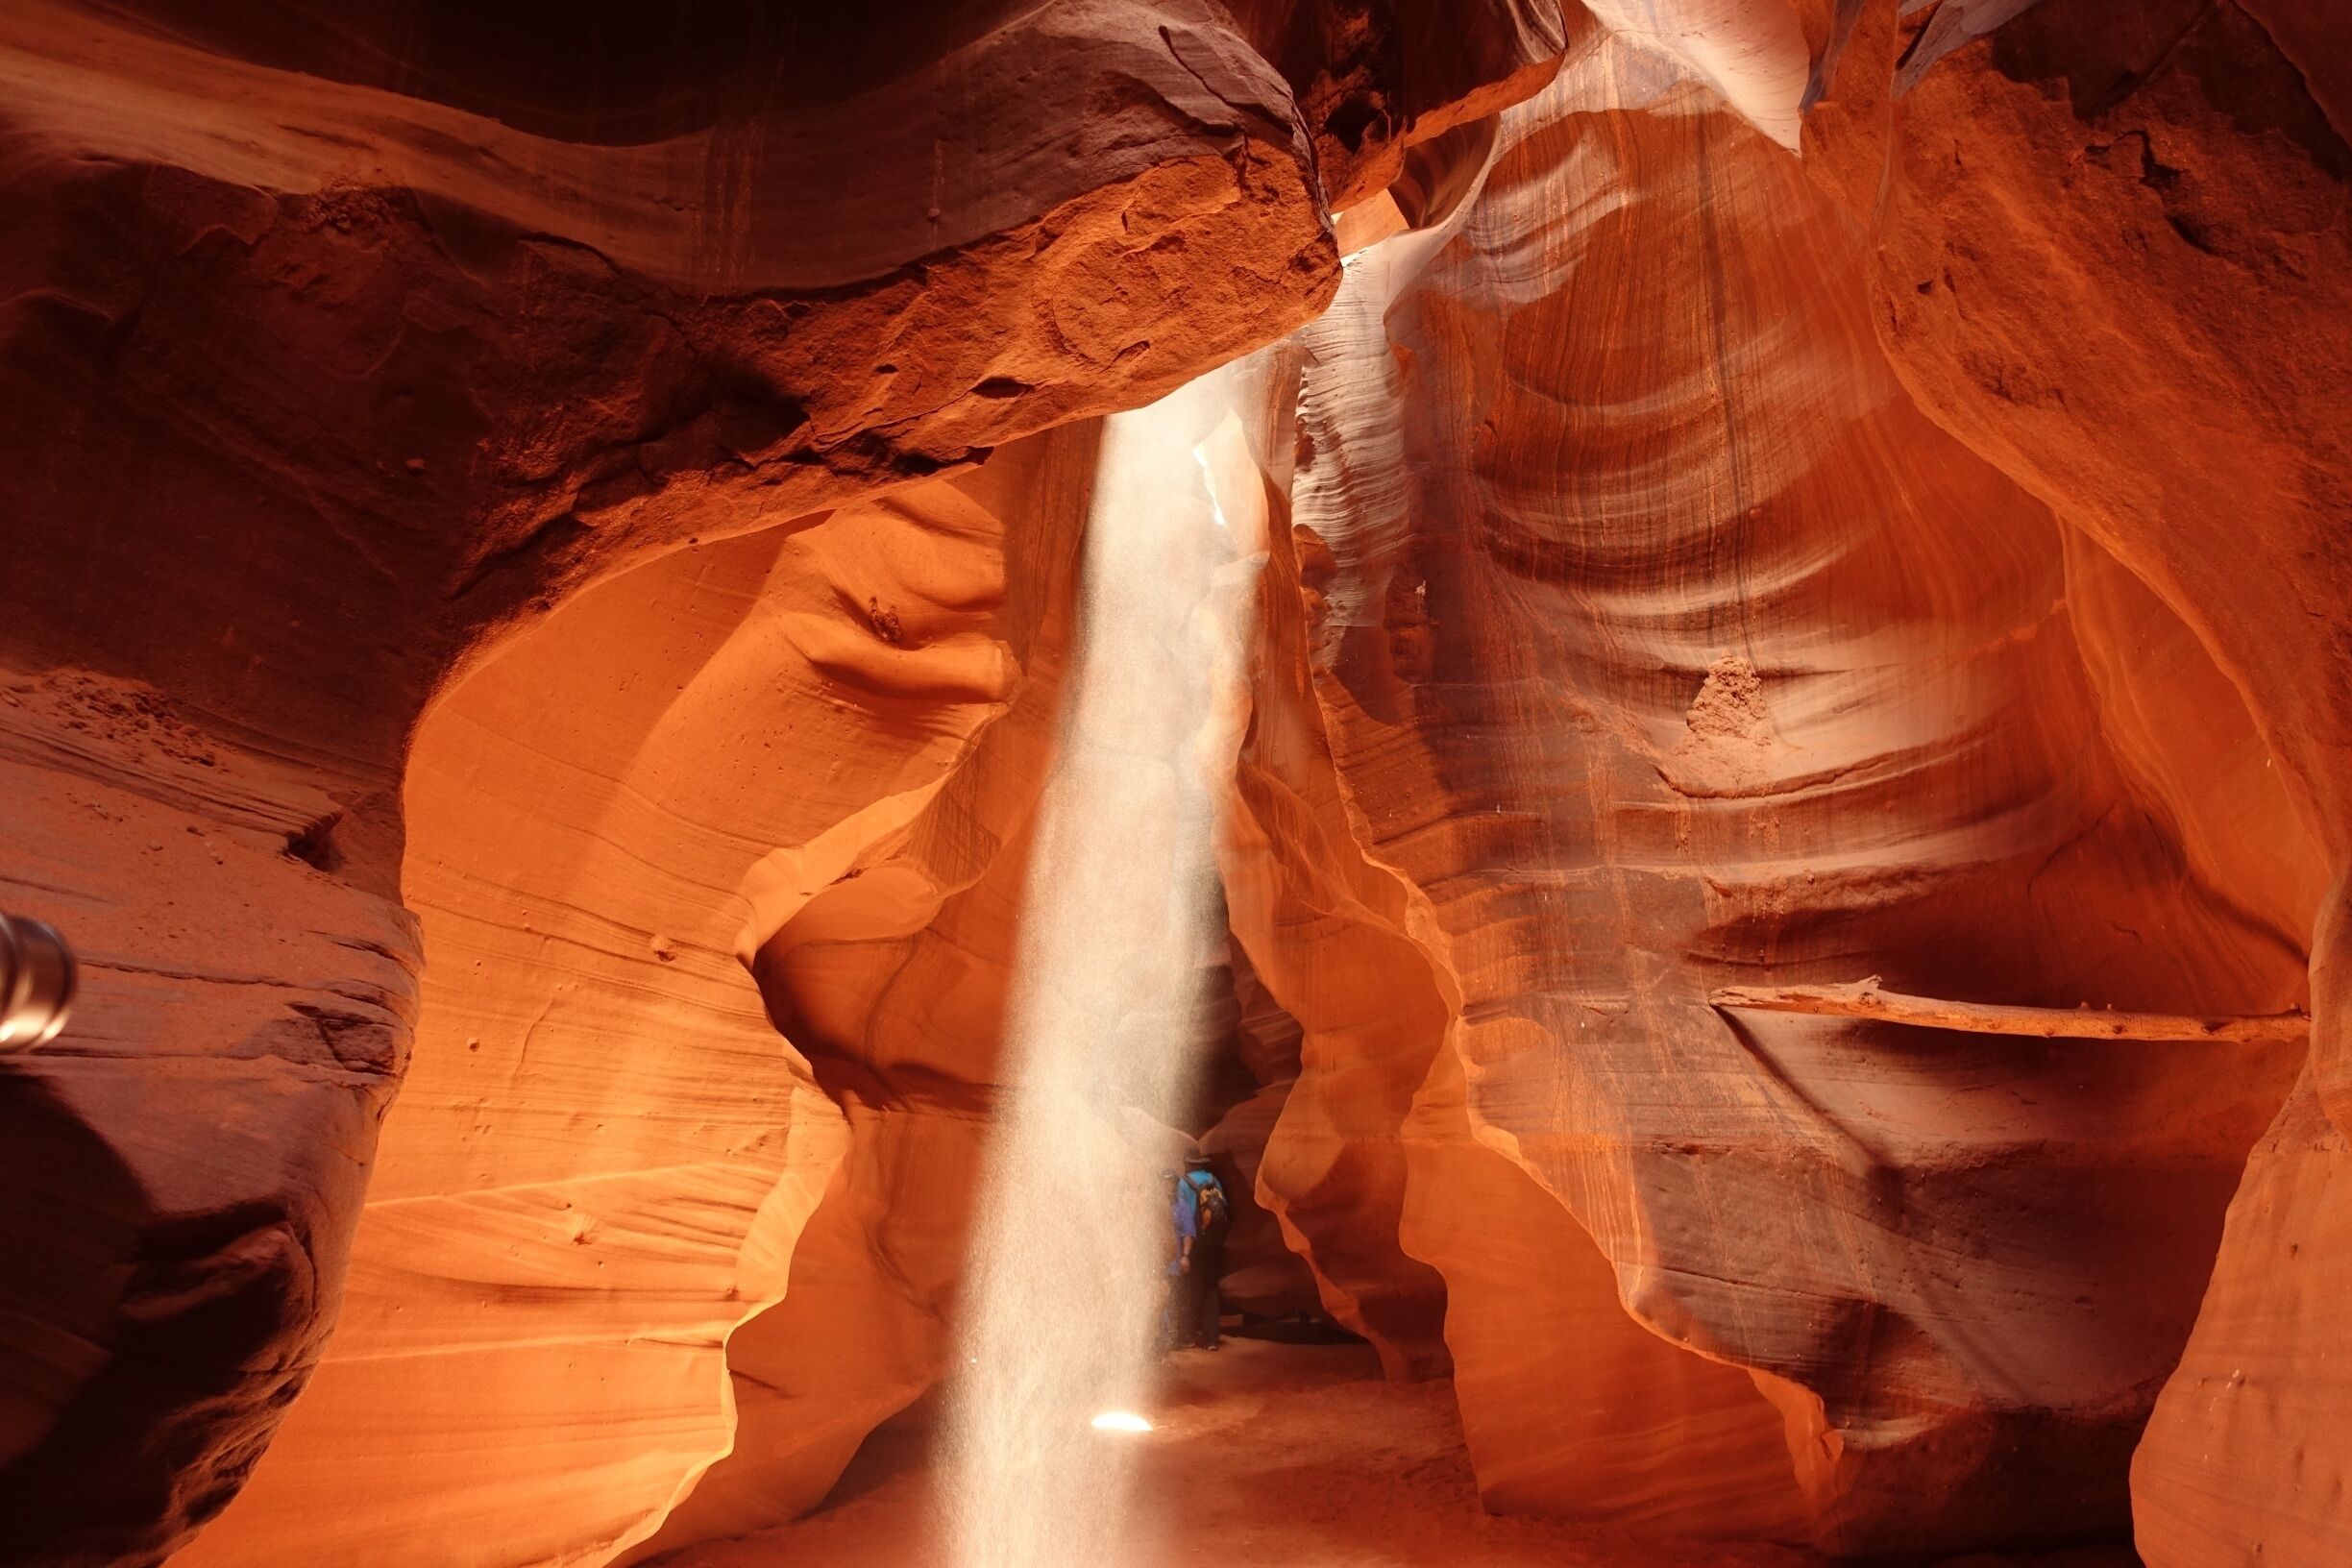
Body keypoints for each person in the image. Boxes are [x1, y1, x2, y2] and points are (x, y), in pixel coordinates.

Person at [1167, 1155, 1229, 1350]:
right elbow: (1223, 1205)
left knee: (1191, 1286)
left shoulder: (1185, 1183)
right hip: (1215, 1241)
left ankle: (1189, 1335)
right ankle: (1212, 1339)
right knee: (1211, 1287)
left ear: (1187, 1163)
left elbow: (1183, 1211)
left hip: (1195, 1241)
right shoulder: (1213, 1180)